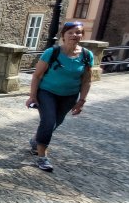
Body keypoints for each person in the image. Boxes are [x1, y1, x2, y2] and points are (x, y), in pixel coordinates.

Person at [26, 21, 93, 172]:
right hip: (47, 92)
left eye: (78, 32)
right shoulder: (52, 52)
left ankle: (36, 140)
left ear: (82, 35)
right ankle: (42, 157)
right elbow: (37, 75)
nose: (74, 35)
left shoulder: (87, 55)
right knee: (48, 122)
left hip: (69, 96)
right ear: (63, 35)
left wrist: (81, 100)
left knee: (56, 122)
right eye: (70, 32)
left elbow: (87, 80)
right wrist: (33, 96)